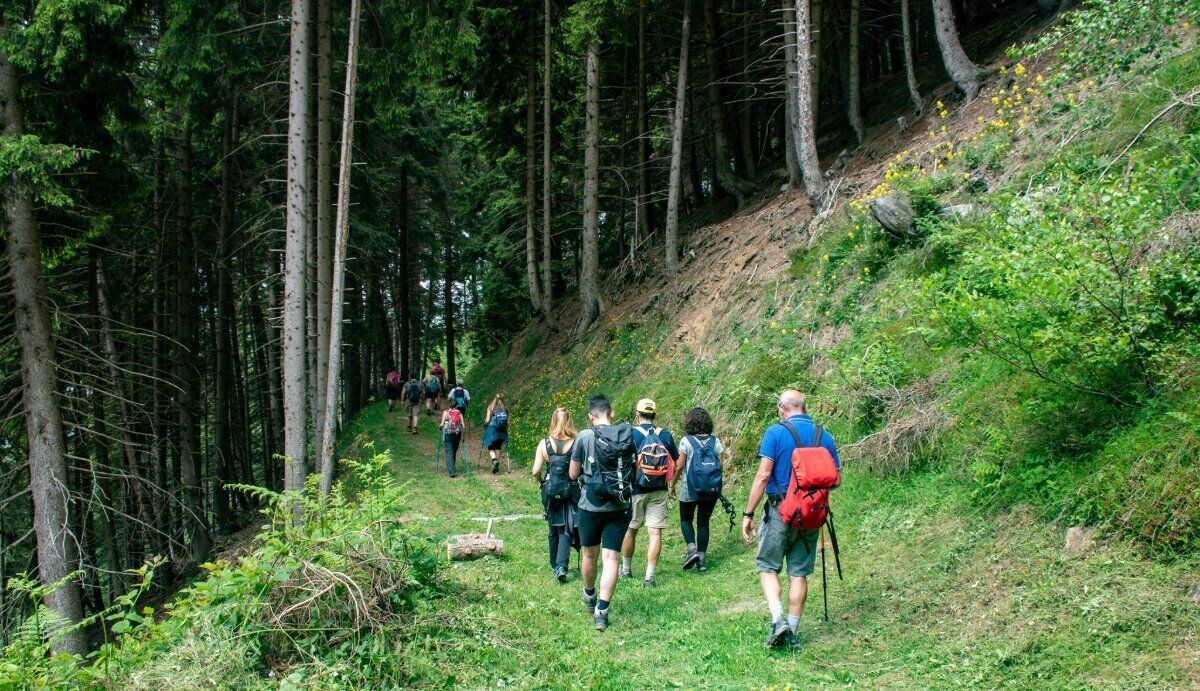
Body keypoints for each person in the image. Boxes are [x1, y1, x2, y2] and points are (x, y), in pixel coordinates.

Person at [741, 390, 840, 650]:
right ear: (804, 408)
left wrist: (748, 513)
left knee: (767, 567)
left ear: (780, 409)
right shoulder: (824, 436)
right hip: (811, 516)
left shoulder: (776, 433)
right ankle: (793, 632)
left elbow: (763, 476)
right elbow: (836, 479)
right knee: (798, 573)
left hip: (779, 511)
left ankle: (777, 620)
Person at [569, 395, 636, 632]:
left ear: (590, 416)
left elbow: (573, 473)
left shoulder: (585, 436)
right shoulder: (626, 435)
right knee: (611, 559)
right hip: (619, 506)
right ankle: (602, 611)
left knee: (589, 555)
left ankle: (589, 596)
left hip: (590, 505)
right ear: (612, 413)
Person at [621, 399, 677, 588]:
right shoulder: (665, 434)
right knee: (655, 534)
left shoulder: (632, 434)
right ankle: (649, 577)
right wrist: (671, 483)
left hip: (636, 489)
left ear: (638, 414)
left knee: (631, 529)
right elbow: (675, 462)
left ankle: (626, 571)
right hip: (659, 490)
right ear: (655, 415)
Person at [672, 407, 725, 573]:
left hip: (690, 488)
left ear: (690, 422)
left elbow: (680, 465)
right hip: (710, 489)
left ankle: (692, 550)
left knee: (686, 519)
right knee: (703, 522)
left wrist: (672, 483)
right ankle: (701, 559)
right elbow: (720, 465)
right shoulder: (714, 441)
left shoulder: (686, 441)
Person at [532, 408, 580, 583]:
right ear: (570, 421)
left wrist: (542, 482)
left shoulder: (544, 443)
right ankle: (561, 565)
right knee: (566, 526)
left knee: (553, 525)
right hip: (570, 490)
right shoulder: (576, 443)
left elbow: (536, 470)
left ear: (553, 421)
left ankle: (554, 564)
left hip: (550, 490)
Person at [482, 393, 509, 475]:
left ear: (494, 398)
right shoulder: (505, 408)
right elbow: (508, 422)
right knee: (498, 447)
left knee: (491, 448)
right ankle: (495, 467)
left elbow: (487, 420)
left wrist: (485, 425)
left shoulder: (490, 408)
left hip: (492, 429)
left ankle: (494, 460)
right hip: (502, 430)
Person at [438, 399, 466, 478]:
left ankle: (452, 471)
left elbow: (442, 424)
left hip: (448, 434)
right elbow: (463, 426)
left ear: (448, 405)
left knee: (449, 452)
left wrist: (440, 428)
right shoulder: (459, 413)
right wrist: (463, 437)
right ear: (457, 405)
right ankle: (452, 467)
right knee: (453, 451)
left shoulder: (446, 412)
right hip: (457, 435)